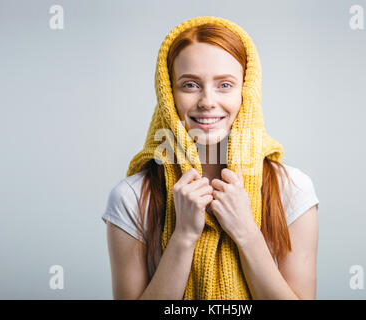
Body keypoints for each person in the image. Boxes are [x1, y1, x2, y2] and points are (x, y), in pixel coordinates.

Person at [102, 16, 319, 300]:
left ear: (246, 91)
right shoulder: (131, 196)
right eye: (190, 85)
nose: (207, 101)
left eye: (225, 85)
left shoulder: (292, 189)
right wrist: (183, 237)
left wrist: (246, 231)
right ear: (169, 95)